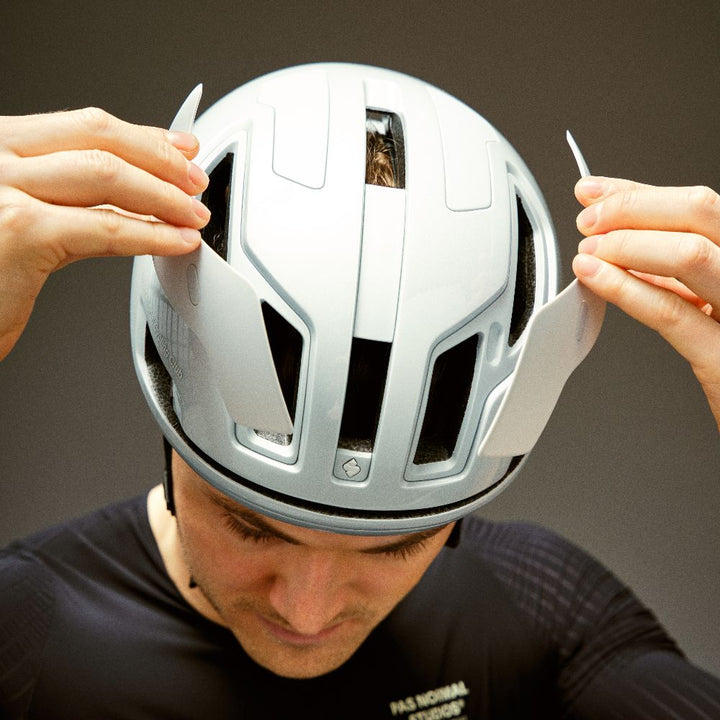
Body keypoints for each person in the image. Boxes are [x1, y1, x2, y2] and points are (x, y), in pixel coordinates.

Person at [1, 64, 719, 719]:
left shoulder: (537, 601)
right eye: (251, 526)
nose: (307, 613)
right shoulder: (25, 631)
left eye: (394, 547)